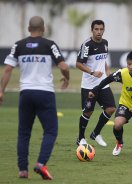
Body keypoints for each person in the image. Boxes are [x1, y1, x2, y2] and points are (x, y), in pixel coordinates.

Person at [0, 16, 70, 179]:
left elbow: (8, 69)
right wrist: (66, 77)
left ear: (28, 28)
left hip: (26, 93)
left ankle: (22, 170)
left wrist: (1, 91)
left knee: (24, 133)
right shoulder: (49, 45)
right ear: (43, 29)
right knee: (51, 131)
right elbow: (64, 66)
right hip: (45, 93)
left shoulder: (19, 45)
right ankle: (40, 163)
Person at [76, 20, 116, 147]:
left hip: (103, 84)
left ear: (104, 30)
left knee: (111, 109)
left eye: (101, 29)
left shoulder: (105, 43)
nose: (99, 32)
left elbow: (103, 59)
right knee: (88, 112)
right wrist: (92, 72)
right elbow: (78, 64)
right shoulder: (87, 45)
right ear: (92, 30)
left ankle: (96, 133)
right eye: (96, 29)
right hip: (89, 85)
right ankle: (80, 138)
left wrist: (107, 71)